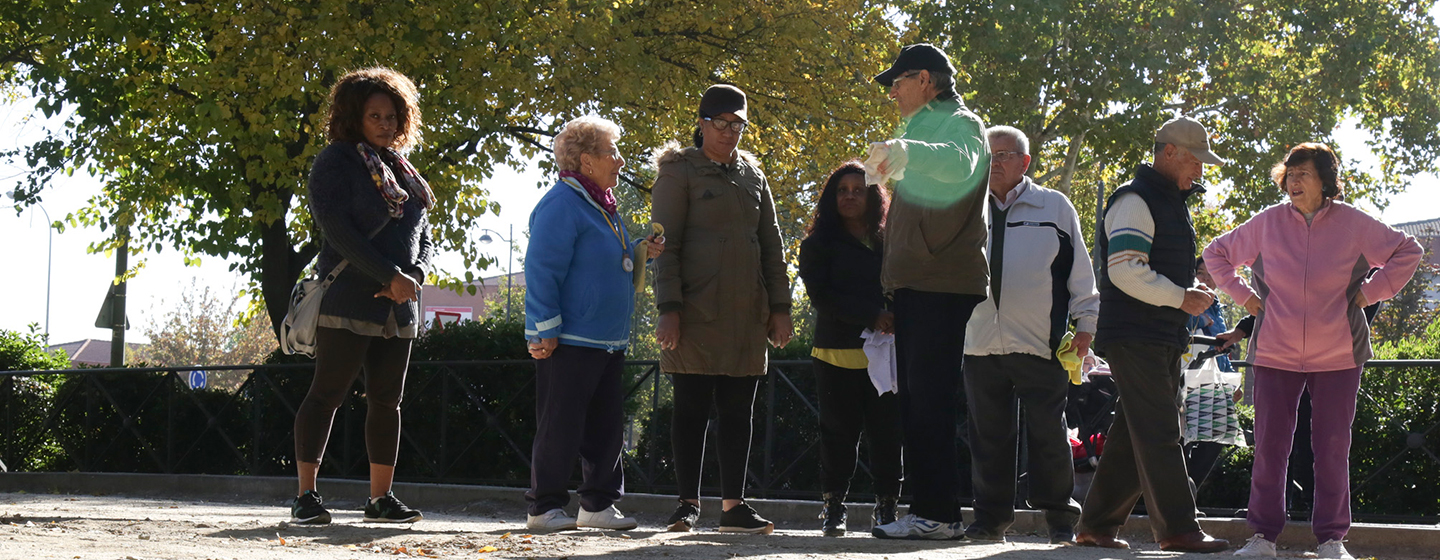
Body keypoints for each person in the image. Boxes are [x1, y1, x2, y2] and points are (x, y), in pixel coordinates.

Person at [1205, 142, 1421, 559]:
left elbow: (1407, 251)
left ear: (1326, 180)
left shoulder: (1355, 223)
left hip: (1340, 355)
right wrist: (1245, 297)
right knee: (1269, 446)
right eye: (1289, 174)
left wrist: (1370, 294)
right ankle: (1262, 537)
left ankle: (1332, 541)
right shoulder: (1267, 223)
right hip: (1274, 352)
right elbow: (1217, 254)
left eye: (1303, 173)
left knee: (1333, 447)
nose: (1293, 181)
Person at [1074, 116, 1230, 553]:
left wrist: (1183, 296)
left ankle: (1096, 526)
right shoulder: (1136, 198)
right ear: (1169, 152)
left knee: (1133, 432)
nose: (1200, 170)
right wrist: (1182, 298)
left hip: (1155, 335)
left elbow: (1140, 270)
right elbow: (1124, 270)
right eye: (1195, 160)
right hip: (1137, 335)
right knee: (1162, 430)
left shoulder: (1163, 198)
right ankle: (1178, 529)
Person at [291, 67, 433, 525]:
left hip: (398, 304)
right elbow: (337, 231)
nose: (386, 124)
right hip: (348, 298)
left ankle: (380, 499)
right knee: (327, 394)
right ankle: (306, 496)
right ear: (354, 116)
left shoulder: (403, 170)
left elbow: (424, 234)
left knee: (387, 401)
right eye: (375, 115)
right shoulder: (336, 162)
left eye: (392, 116)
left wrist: (414, 274)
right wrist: (388, 273)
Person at [651, 84, 793, 535]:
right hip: (693, 312)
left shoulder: (754, 173)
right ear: (701, 122)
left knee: (738, 411)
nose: (729, 132)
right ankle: (686, 505)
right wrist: (668, 306)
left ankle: (734, 506)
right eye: (721, 123)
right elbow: (664, 246)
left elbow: (771, 244)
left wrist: (780, 306)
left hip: (746, 315)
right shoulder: (678, 171)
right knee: (690, 409)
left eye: (738, 125)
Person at [866, 43, 991, 541]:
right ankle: (931, 512)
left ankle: (938, 515)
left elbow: (958, 163)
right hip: (921, 282)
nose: (892, 91)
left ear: (926, 80)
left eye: (898, 80)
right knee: (919, 399)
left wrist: (905, 153)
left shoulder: (961, 124)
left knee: (929, 400)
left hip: (940, 282)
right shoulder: (923, 126)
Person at [522, 116, 664, 532]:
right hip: (568, 339)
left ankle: (598, 506)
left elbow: (608, 261)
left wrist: (640, 251)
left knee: (605, 429)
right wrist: (542, 328)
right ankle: (543, 507)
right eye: (612, 153)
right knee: (560, 425)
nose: (619, 161)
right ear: (586, 160)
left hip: (608, 340)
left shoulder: (600, 204)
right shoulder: (561, 203)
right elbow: (542, 268)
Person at [962, 126, 1097, 545]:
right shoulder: (965, 208)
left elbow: (1080, 273)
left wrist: (1086, 325)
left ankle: (1060, 521)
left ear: (1025, 162)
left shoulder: (1055, 206)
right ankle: (989, 521)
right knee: (987, 438)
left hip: (1041, 345)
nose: (994, 163)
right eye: (988, 156)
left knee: (1050, 435)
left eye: (1003, 155)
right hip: (978, 342)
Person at [797, 161, 901, 537]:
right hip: (836, 355)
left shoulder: (892, 239)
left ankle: (887, 508)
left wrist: (894, 317)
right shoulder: (817, 244)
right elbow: (821, 297)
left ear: (873, 195)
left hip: (887, 356)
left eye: (859, 189)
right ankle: (833, 508)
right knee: (837, 435)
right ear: (831, 197)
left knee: (887, 435)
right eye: (842, 190)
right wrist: (871, 315)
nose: (850, 196)